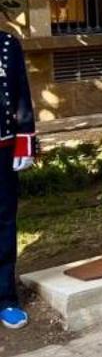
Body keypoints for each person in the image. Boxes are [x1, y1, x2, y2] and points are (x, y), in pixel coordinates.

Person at [0, 32, 37, 329]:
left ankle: (6, 298)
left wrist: (25, 141)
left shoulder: (8, 44)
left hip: (3, 150)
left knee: (4, 222)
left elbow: (21, 94)